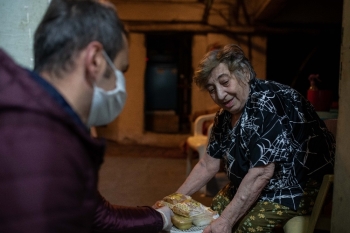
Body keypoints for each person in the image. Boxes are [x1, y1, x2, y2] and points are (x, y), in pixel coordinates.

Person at [0, 0, 173, 232]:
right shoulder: (47, 149)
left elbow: (94, 215)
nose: (120, 86)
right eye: (120, 71)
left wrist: (157, 217)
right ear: (95, 61)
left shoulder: (41, 115)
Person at [165, 44, 335, 233]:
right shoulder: (225, 114)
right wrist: (172, 201)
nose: (220, 95)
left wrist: (227, 220)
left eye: (225, 82)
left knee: (244, 226)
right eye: (212, 89)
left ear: (244, 73)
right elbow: (207, 164)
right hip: (259, 182)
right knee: (212, 212)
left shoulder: (266, 103)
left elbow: (261, 173)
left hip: (297, 187)